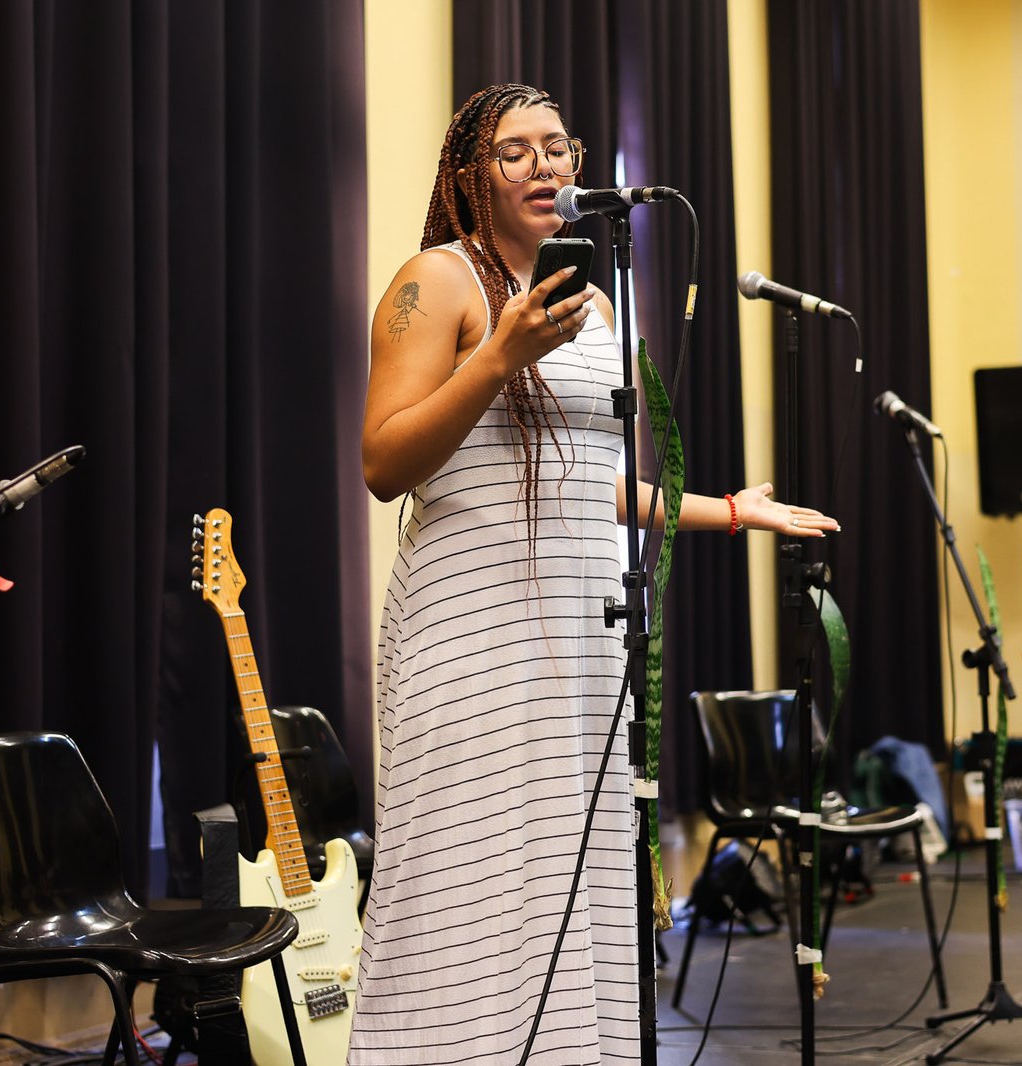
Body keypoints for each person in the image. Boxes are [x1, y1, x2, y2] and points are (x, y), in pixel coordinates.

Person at [352, 83, 838, 1065]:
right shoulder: (435, 282)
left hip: (579, 633)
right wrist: (496, 357)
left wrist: (728, 511)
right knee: (470, 869)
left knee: (562, 875)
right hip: (470, 627)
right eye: (514, 150)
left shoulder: (595, 299)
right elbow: (382, 461)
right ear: (467, 178)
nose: (545, 165)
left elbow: (594, 485)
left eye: (558, 147)